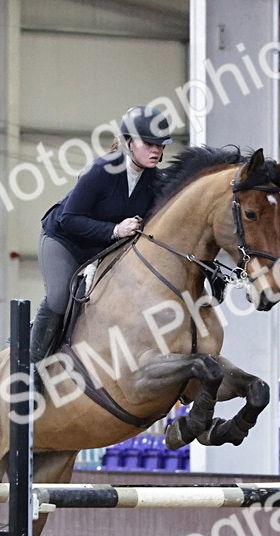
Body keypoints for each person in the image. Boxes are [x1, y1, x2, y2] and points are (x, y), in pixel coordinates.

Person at [30, 105, 172, 362]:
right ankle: (29, 366)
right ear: (128, 143)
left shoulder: (155, 181)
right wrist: (115, 230)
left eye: (161, 145)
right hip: (65, 241)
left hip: (104, 250)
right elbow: (69, 218)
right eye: (149, 143)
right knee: (60, 296)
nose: (157, 150)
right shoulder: (101, 170)